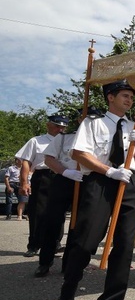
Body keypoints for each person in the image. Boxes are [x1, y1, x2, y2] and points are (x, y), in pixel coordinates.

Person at [54, 79, 135, 300]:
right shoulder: (92, 123)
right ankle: (68, 289)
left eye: (131, 97)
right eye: (124, 95)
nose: (129, 100)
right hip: (101, 182)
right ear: (110, 97)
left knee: (125, 245)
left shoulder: (134, 125)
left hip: (130, 182)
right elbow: (79, 153)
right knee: (86, 241)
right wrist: (109, 171)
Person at [35, 112, 87, 277]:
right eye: (84, 118)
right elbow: (49, 159)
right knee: (53, 221)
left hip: (86, 182)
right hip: (64, 179)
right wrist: (65, 171)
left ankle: (69, 263)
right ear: (79, 120)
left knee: (78, 225)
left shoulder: (100, 141)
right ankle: (45, 262)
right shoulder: (64, 138)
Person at [16, 114, 69, 257]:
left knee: (59, 212)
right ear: (48, 125)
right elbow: (26, 162)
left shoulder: (67, 141)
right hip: (43, 176)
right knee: (37, 212)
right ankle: (34, 244)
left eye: (64, 127)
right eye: (58, 126)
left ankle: (55, 243)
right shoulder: (36, 141)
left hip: (61, 176)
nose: (60, 129)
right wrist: (24, 182)